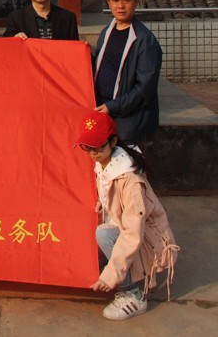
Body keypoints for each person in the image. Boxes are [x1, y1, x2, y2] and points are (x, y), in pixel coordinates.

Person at [75, 110, 178, 321]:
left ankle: (133, 294)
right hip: (121, 226)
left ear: (113, 141)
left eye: (98, 147)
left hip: (143, 239)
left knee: (103, 235)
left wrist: (113, 273)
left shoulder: (130, 180)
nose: (93, 152)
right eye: (87, 147)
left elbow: (133, 232)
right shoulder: (105, 162)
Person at [94, 0, 162, 145]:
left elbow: (144, 89)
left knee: (128, 170)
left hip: (129, 123)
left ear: (136, 1)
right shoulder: (105, 33)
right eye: (116, 0)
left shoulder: (145, 40)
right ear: (109, 2)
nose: (121, 6)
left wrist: (113, 106)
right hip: (104, 116)